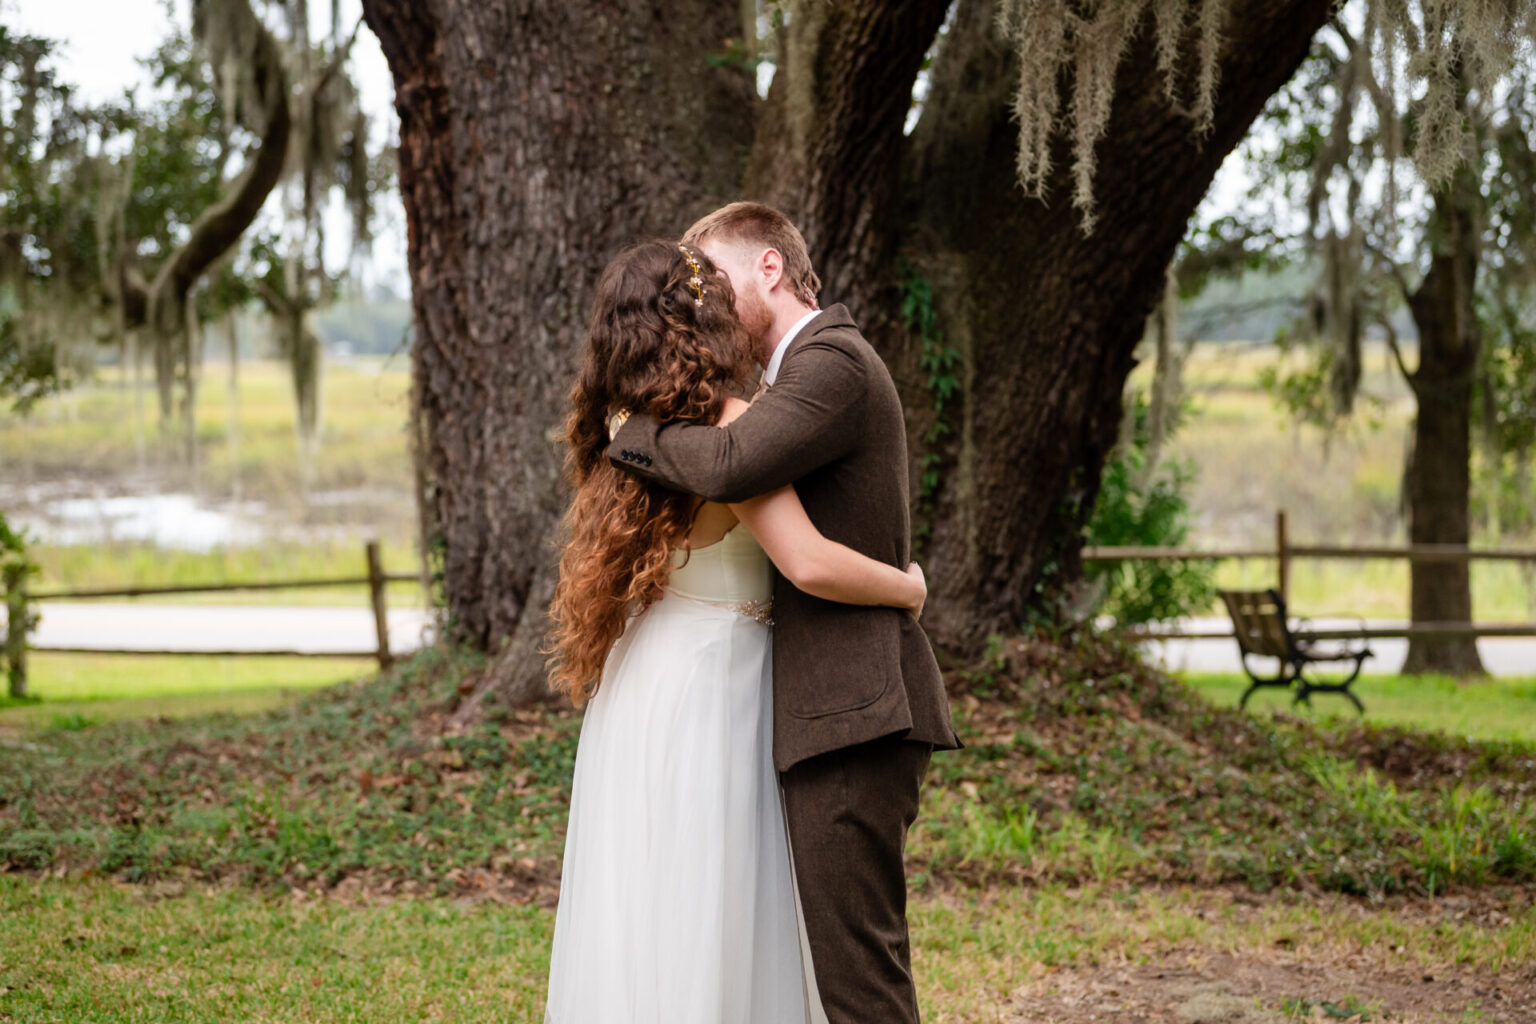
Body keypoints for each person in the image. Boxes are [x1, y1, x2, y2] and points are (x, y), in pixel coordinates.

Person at [543, 238, 930, 1024]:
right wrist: (908, 588)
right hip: (720, 686)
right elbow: (809, 562)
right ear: (704, 315)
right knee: (719, 901)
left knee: (649, 908)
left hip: (644, 683)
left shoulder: (631, 432)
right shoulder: (730, 424)